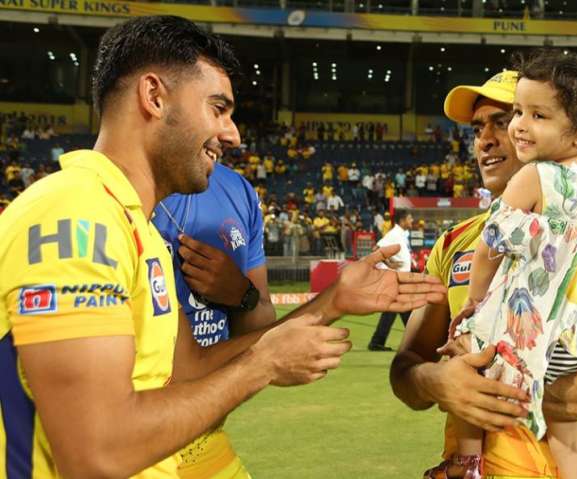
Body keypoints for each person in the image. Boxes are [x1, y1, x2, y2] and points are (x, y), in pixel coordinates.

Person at [0, 16, 447, 478]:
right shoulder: (75, 216)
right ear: (154, 97)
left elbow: (191, 372)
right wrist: (262, 365)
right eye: (218, 108)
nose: (232, 134)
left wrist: (333, 301)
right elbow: (95, 454)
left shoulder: (136, 230)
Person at [391, 68, 577, 479]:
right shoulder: (454, 243)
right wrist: (437, 382)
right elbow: (407, 367)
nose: (486, 138)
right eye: (480, 127)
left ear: (571, 131)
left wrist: (495, 389)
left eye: (503, 119)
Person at [153, 161, 274, 478]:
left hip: (205, 438)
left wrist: (240, 295)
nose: (230, 133)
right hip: (140, 445)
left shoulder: (238, 190)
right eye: (216, 109)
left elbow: (260, 322)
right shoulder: (108, 202)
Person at [368, 209, 414, 351]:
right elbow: (376, 249)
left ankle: (377, 342)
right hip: (396, 278)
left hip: (400, 278)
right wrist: (390, 263)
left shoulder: (401, 234)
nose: (412, 221)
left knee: (399, 311)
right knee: (403, 311)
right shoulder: (394, 234)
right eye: (409, 218)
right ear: (402, 220)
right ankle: (414, 342)